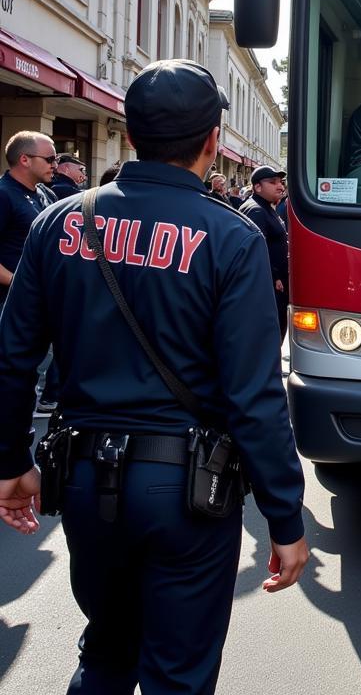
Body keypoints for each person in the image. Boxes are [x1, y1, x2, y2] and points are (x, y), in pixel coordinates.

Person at [0, 59, 308, 694]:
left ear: (132, 133)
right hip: (188, 494)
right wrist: (285, 516)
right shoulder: (231, 236)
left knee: (106, 654)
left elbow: (12, 356)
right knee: (178, 676)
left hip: (85, 481)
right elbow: (254, 395)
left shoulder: (60, 222)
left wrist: (10, 459)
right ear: (212, 142)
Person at [0, 132, 58, 412]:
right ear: (24, 159)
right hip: (7, 304)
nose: (55, 164)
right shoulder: (3, 194)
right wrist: (17, 283)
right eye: (49, 159)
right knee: (9, 379)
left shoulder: (45, 195)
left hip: (36, 303)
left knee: (26, 379)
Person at [240, 166, 289, 341]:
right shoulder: (257, 210)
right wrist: (274, 276)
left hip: (275, 283)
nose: (280, 186)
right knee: (270, 332)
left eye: (281, 182)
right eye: (273, 182)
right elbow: (256, 250)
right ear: (257, 187)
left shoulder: (265, 207)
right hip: (270, 286)